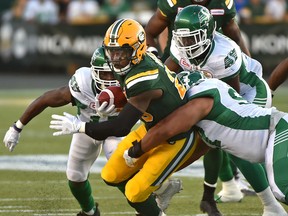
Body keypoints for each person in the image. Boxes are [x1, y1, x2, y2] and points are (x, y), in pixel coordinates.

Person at [49, 18, 210, 216]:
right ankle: (159, 193)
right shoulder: (136, 62)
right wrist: (113, 99)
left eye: (121, 52)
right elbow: (130, 94)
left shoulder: (141, 78)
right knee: (110, 174)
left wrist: (80, 126)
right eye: (112, 51)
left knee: (135, 193)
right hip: (152, 127)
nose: (115, 58)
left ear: (136, 49)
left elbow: (121, 127)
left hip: (176, 136)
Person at [166, 4, 276, 216]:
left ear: (207, 34)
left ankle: (272, 206)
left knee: (237, 142)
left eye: (192, 38)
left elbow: (231, 99)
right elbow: (167, 75)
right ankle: (213, 196)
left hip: (249, 91)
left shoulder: (223, 53)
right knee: (212, 138)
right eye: (183, 38)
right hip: (220, 93)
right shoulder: (178, 46)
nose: (186, 44)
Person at [138, 71, 288, 216]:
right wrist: (162, 175)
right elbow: (196, 152)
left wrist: (135, 152)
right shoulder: (207, 118)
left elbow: (166, 130)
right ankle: (272, 209)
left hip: (278, 129)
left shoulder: (201, 101)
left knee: (281, 188)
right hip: (274, 133)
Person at [145, 0, 250, 62]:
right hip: (177, 60)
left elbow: (236, 39)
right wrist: (153, 56)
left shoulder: (222, 3)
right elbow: (149, 32)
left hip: (212, 62)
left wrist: (250, 64)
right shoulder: (174, 3)